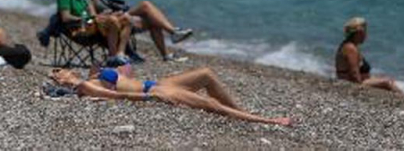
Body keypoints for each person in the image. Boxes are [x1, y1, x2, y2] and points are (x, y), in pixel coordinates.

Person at [49, 66, 292, 126]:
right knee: (210, 104)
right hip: (153, 90)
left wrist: (111, 68)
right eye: (57, 71)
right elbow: (119, 95)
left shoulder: (91, 75)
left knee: (207, 73)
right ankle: (266, 120)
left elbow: (123, 76)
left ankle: (244, 111)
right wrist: (150, 99)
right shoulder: (84, 86)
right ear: (60, 80)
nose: (62, 70)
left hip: (154, 82)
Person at [83, 0, 193, 61]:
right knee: (145, 5)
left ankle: (166, 55)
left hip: (119, 19)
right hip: (111, 24)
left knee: (153, 21)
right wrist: (110, 15)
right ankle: (173, 32)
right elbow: (92, 17)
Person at [57, 0, 132, 65]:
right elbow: (65, 17)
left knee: (127, 18)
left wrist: (103, 15)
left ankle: (120, 53)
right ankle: (112, 56)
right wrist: (86, 18)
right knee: (112, 20)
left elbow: (92, 14)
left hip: (90, 22)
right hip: (78, 26)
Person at [335, 17, 404, 95]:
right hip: (350, 84)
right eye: (365, 32)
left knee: (388, 79)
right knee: (387, 82)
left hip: (355, 81)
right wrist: (362, 91)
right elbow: (354, 75)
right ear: (359, 33)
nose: (366, 35)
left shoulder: (350, 46)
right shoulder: (350, 48)